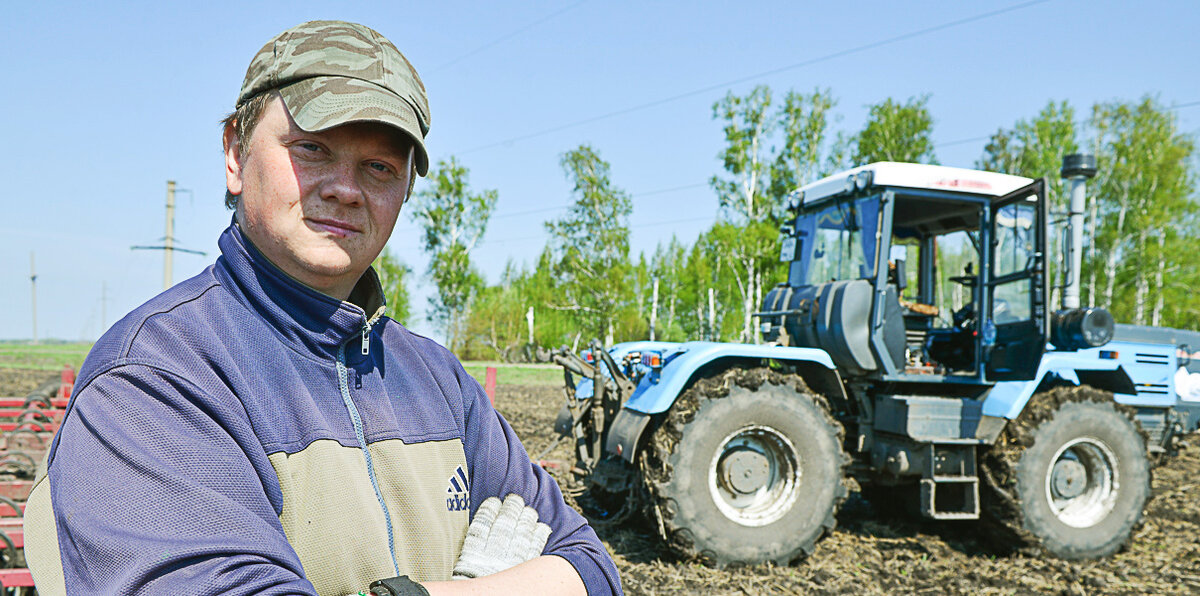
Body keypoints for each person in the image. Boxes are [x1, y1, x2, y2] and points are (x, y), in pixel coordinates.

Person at [24, 20, 622, 596]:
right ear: (235, 153)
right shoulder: (158, 380)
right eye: (311, 148)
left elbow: (591, 568)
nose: (346, 187)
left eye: (379, 166)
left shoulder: (438, 382)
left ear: (407, 187)